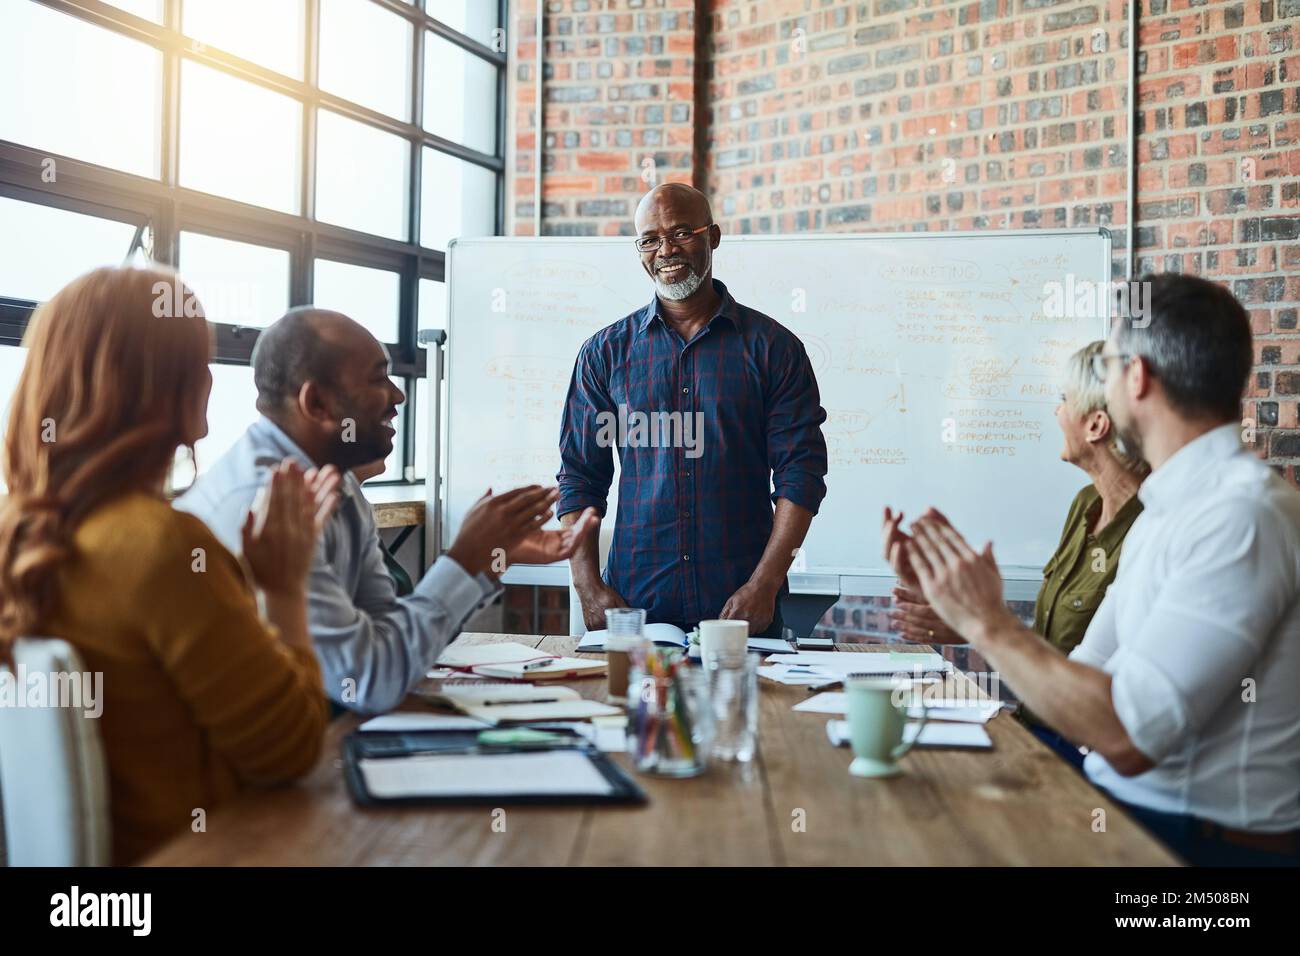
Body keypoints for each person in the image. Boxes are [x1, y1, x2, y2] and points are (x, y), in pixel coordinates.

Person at [892, 273, 1300, 866]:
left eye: (1107, 367)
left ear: (1136, 379)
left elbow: (1128, 737)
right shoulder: (1168, 507)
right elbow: (1083, 671)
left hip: (1196, 848)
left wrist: (989, 624)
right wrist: (968, 613)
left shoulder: (1239, 517)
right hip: (1119, 809)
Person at [0, 267, 335, 864]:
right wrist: (283, 588)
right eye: (199, 362)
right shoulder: (164, 548)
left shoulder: (15, 534)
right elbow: (290, 750)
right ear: (169, 389)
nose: (210, 378)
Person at [179, 307, 597, 714]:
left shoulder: (336, 480)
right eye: (379, 378)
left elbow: (388, 640)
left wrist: (485, 559)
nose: (399, 396)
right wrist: (466, 559)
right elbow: (368, 680)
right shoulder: (263, 503)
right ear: (318, 403)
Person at [557, 183, 828, 637]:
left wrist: (766, 583)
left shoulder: (773, 349)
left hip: (741, 605)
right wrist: (587, 585)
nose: (665, 250)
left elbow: (800, 475)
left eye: (681, 233)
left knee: (748, 711)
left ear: (713, 237)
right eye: (650, 239)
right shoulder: (604, 354)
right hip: (635, 605)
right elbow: (581, 477)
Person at [883, 340, 1148, 764]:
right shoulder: (1085, 504)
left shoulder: (1150, 525)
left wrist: (983, 623)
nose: (1057, 412)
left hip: (1082, 750)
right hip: (1037, 730)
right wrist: (966, 624)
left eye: (1064, 400)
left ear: (1096, 425)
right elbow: (1053, 648)